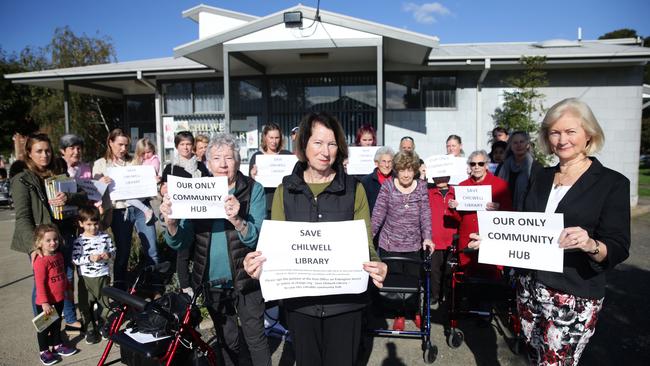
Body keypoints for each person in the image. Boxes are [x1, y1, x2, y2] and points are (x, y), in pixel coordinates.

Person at [468, 98, 631, 365]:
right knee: (534, 358)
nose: (562, 139)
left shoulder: (612, 183)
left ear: (588, 134)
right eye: (555, 132)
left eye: (570, 131)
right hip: (530, 289)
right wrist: (493, 239)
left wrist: (591, 244)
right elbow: (526, 225)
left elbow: (618, 246)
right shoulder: (541, 175)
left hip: (573, 293)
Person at [242, 112, 388, 366]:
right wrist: (256, 263)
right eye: (318, 143)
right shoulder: (284, 191)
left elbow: (366, 244)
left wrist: (377, 264)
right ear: (304, 146)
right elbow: (274, 248)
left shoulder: (355, 190)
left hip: (346, 305)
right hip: (301, 306)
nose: (325, 151)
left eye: (332, 143)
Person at [160, 133, 271, 366]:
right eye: (217, 158)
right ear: (207, 163)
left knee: (255, 338)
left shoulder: (253, 190)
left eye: (229, 158)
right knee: (226, 340)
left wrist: (238, 220)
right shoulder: (197, 190)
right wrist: (171, 224)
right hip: (212, 281)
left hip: (247, 278)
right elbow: (182, 241)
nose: (223, 164)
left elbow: (258, 239)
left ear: (238, 162)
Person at [11, 134, 87, 332]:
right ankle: (46, 335)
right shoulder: (22, 179)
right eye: (39, 151)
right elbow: (23, 217)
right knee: (42, 286)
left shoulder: (59, 171)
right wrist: (34, 246)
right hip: (41, 242)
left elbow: (83, 196)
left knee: (66, 279)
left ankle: (69, 318)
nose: (44, 155)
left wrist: (68, 197)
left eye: (47, 150)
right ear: (29, 153)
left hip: (64, 235)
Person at [371, 150, 433, 331]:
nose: (406, 174)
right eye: (402, 170)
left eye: (410, 170)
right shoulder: (388, 186)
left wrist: (427, 237)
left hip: (414, 243)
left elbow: (425, 214)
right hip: (390, 243)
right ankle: (399, 313)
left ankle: (415, 312)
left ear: (415, 170)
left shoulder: (421, 186)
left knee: (414, 280)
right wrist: (368, 237)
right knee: (396, 282)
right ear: (396, 170)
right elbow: (378, 214)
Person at [92, 129, 158, 290]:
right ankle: (120, 290)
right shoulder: (100, 164)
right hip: (118, 211)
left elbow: (145, 181)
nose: (123, 149)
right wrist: (100, 183)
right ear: (110, 142)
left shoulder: (134, 160)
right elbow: (94, 193)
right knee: (123, 252)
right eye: (120, 144)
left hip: (142, 210)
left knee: (153, 250)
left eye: (126, 145)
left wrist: (153, 179)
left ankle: (155, 288)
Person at [447, 150, 512, 278]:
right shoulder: (462, 186)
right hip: (467, 240)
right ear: (469, 166)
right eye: (473, 164)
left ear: (486, 165)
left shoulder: (500, 185)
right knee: (468, 283)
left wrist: (499, 208)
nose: (476, 167)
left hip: (492, 240)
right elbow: (458, 219)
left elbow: (510, 213)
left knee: (493, 281)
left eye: (480, 163)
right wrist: (453, 208)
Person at [160, 131, 209, 295]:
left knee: (200, 251)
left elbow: (209, 187)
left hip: (199, 213)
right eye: (182, 144)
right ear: (177, 146)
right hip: (180, 216)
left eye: (189, 144)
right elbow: (163, 190)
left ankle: (200, 285)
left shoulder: (201, 166)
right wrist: (163, 190)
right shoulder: (171, 167)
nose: (186, 147)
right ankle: (185, 286)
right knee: (183, 252)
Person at [32, 224, 79, 365]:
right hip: (45, 302)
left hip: (59, 298)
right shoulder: (40, 261)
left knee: (57, 323)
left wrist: (68, 288)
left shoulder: (58, 255)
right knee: (44, 328)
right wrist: (44, 302)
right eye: (48, 241)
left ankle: (57, 345)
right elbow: (39, 284)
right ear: (39, 242)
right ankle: (44, 351)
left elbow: (62, 275)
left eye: (55, 239)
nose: (53, 243)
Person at [72, 206, 115, 344]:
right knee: (86, 304)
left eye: (95, 224)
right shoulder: (80, 241)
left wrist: (109, 255)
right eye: (88, 224)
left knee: (105, 302)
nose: (92, 227)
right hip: (86, 278)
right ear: (81, 224)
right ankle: (90, 328)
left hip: (103, 275)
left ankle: (103, 324)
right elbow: (75, 259)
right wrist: (89, 258)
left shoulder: (105, 237)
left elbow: (113, 251)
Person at [427, 175, 458, 307]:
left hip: (452, 239)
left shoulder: (457, 192)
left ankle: (447, 296)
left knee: (449, 271)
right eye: (437, 176)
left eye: (444, 176)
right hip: (434, 239)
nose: (440, 179)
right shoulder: (428, 193)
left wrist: (457, 206)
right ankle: (435, 296)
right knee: (434, 270)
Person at [497, 131, 543, 211]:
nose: (519, 145)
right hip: (504, 211)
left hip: (526, 213)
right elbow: (496, 189)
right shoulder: (503, 166)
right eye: (515, 142)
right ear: (510, 146)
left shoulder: (535, 166)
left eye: (522, 142)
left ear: (527, 145)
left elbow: (538, 193)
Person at [131, 138, 161, 222]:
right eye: (143, 153)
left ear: (153, 150)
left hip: (147, 187)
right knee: (130, 199)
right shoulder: (139, 160)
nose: (146, 155)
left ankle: (147, 210)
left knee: (131, 199)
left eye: (148, 152)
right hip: (139, 186)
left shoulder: (154, 159)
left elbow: (153, 171)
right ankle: (147, 212)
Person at [360, 146, 394, 215]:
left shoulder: (398, 180)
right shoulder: (366, 181)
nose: (387, 165)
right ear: (376, 163)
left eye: (389, 162)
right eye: (383, 161)